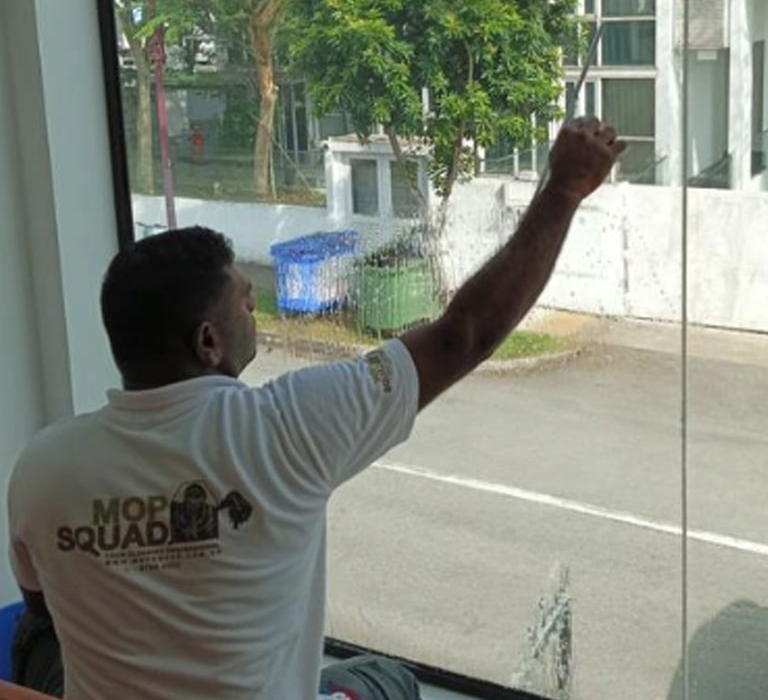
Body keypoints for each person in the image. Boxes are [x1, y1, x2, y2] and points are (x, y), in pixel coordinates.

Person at [6, 118, 624, 700]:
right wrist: (563, 191)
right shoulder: (287, 429)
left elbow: (43, 610)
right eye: (245, 303)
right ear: (207, 342)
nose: (255, 311)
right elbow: (464, 335)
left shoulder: (42, 467)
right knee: (385, 677)